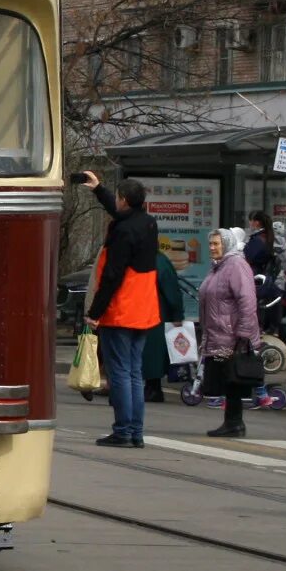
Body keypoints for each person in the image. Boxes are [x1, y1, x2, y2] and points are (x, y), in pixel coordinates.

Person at [79, 171, 161, 448]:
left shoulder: (123, 230)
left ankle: (123, 430)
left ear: (124, 199)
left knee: (120, 373)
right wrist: (99, 189)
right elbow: (123, 214)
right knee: (135, 372)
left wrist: (95, 312)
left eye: (116, 197)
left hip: (121, 309)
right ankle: (135, 431)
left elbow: (112, 275)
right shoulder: (148, 223)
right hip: (144, 308)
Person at [198, 227, 262, 437]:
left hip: (232, 335)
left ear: (227, 244)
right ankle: (232, 422)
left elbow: (247, 299)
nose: (212, 248)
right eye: (211, 244)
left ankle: (235, 422)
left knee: (233, 377)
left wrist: (244, 332)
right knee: (227, 378)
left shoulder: (236, 265)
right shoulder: (219, 267)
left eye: (216, 243)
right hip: (219, 334)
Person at [141, 251, 186, 404]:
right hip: (152, 313)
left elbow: (172, 291)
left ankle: (153, 388)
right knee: (152, 353)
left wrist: (177, 314)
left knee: (153, 353)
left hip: (154, 314)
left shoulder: (157, 261)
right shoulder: (158, 260)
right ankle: (152, 387)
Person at [244, 211, 275, 276]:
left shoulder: (258, 239)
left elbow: (249, 257)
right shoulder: (266, 235)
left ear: (256, 222)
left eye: (250, 221)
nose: (249, 223)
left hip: (254, 273)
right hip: (259, 272)